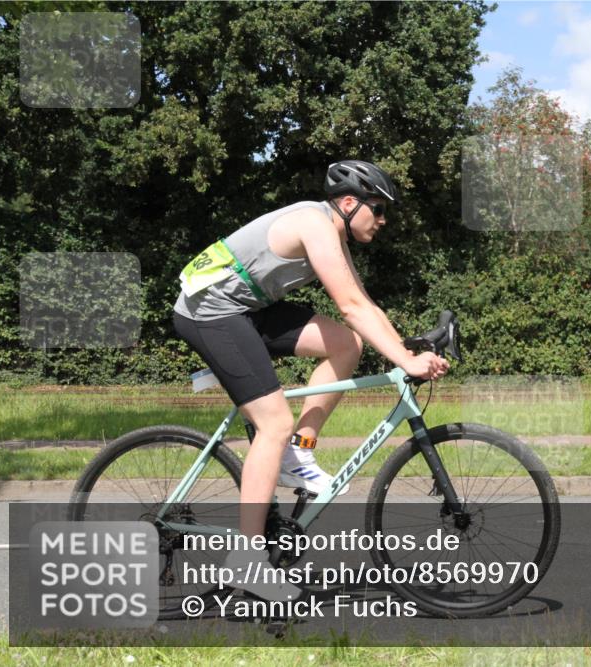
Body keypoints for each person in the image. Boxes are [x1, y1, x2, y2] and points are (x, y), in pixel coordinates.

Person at [172, 160, 449, 600]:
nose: (382, 220)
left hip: (247, 307)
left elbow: (364, 307)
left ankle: (296, 455)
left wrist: (408, 353)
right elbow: (352, 306)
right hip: (210, 311)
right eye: (376, 209)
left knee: (347, 344)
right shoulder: (313, 224)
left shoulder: (331, 232)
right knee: (272, 423)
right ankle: (247, 562)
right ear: (347, 202)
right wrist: (407, 362)